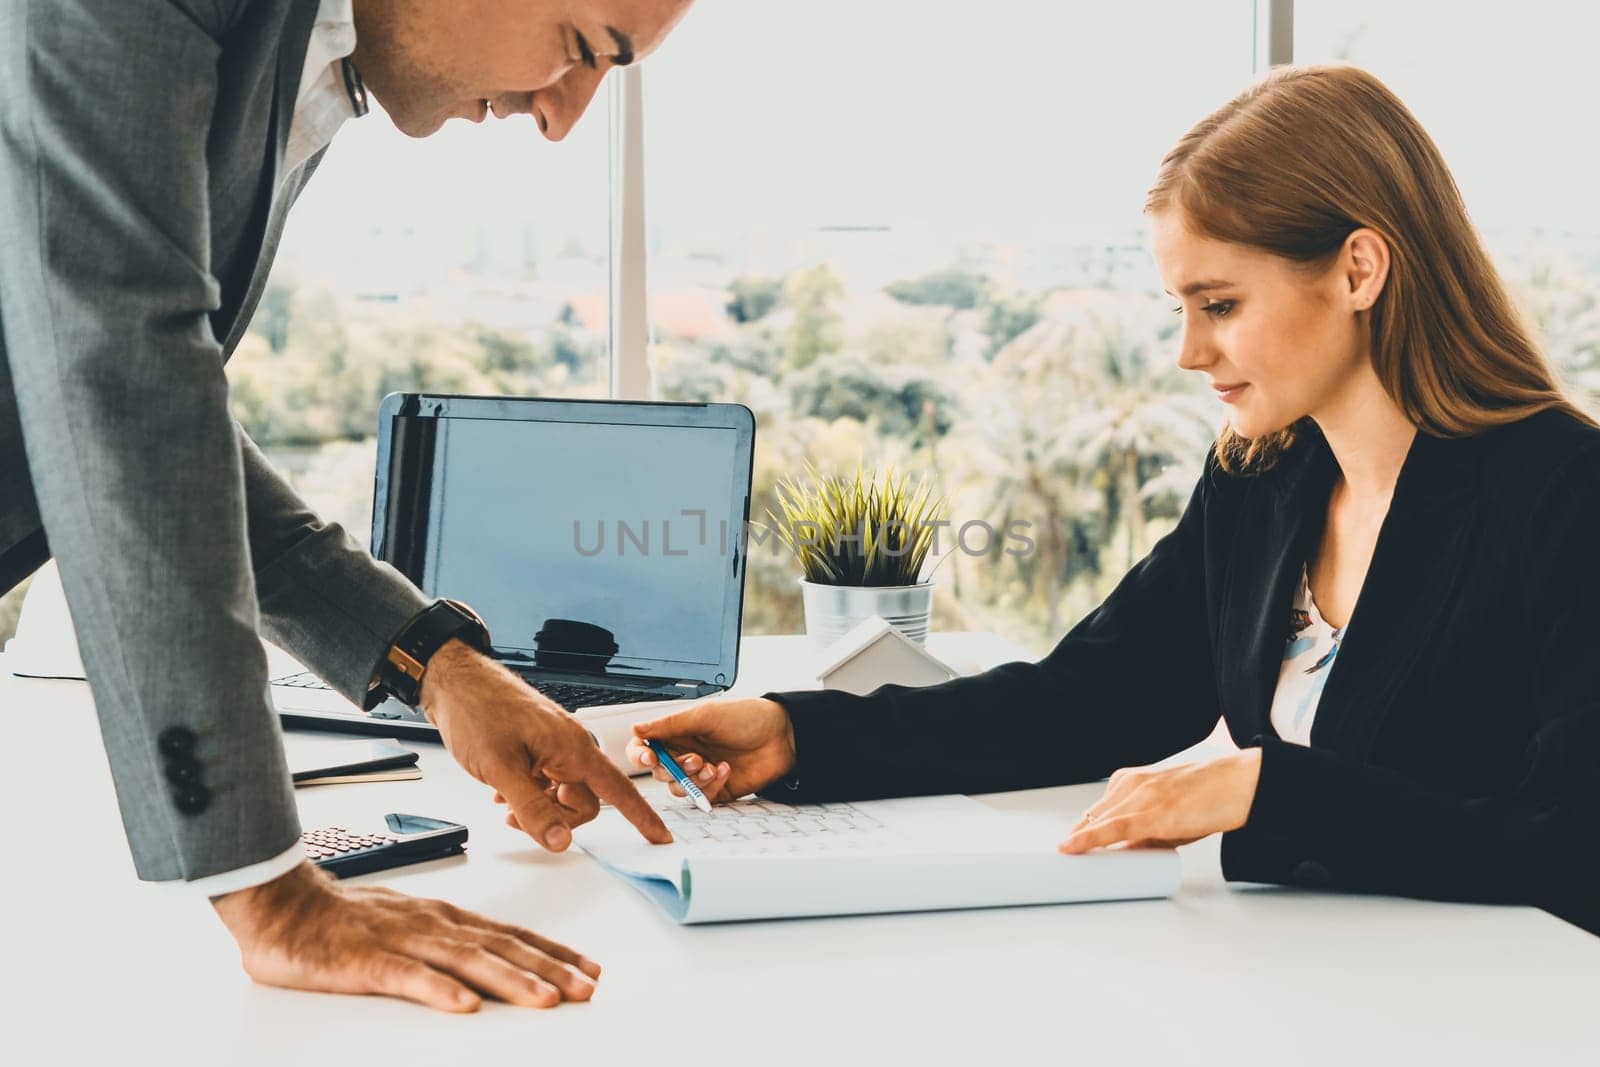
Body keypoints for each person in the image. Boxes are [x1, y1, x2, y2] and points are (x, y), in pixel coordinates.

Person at [626, 64, 1600, 936]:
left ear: (1358, 268)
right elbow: (1083, 699)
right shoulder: (1259, 479)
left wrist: (1268, 787)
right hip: (1312, 987)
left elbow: (1568, 847)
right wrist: (800, 734)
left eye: (1219, 304)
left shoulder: (1563, 494)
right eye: (1178, 307)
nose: (1188, 351)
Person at [0, 0, 694, 1013]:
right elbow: (116, 371)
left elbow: (146, 408)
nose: (565, 115)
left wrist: (434, 662)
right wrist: (271, 893)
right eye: (582, 47)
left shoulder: (306, 49)